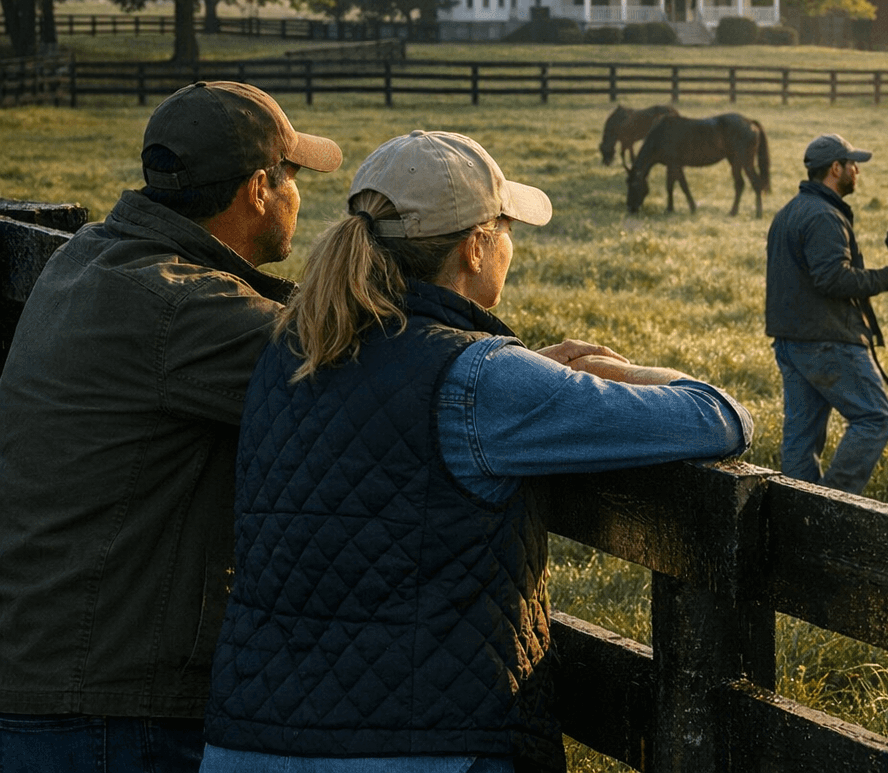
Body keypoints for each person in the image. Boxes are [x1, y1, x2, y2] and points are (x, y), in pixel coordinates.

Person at [198, 129, 752, 773]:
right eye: (508, 228)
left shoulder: (292, 349)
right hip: (425, 747)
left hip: (249, 741)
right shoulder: (479, 380)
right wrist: (610, 376)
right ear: (474, 246)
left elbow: (391, 419)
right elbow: (718, 418)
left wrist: (522, 374)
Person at [0, 81, 342, 773]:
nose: (300, 196)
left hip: (51, 676)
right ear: (258, 188)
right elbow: (371, 374)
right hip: (109, 709)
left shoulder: (93, 252)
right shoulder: (180, 308)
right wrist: (510, 362)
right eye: (295, 176)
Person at [764, 133, 888, 494]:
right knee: (874, 419)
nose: (857, 171)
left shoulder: (788, 212)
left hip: (791, 342)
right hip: (827, 342)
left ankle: (798, 516)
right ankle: (832, 505)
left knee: (801, 438)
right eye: (852, 165)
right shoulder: (824, 217)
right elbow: (832, 278)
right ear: (836, 168)